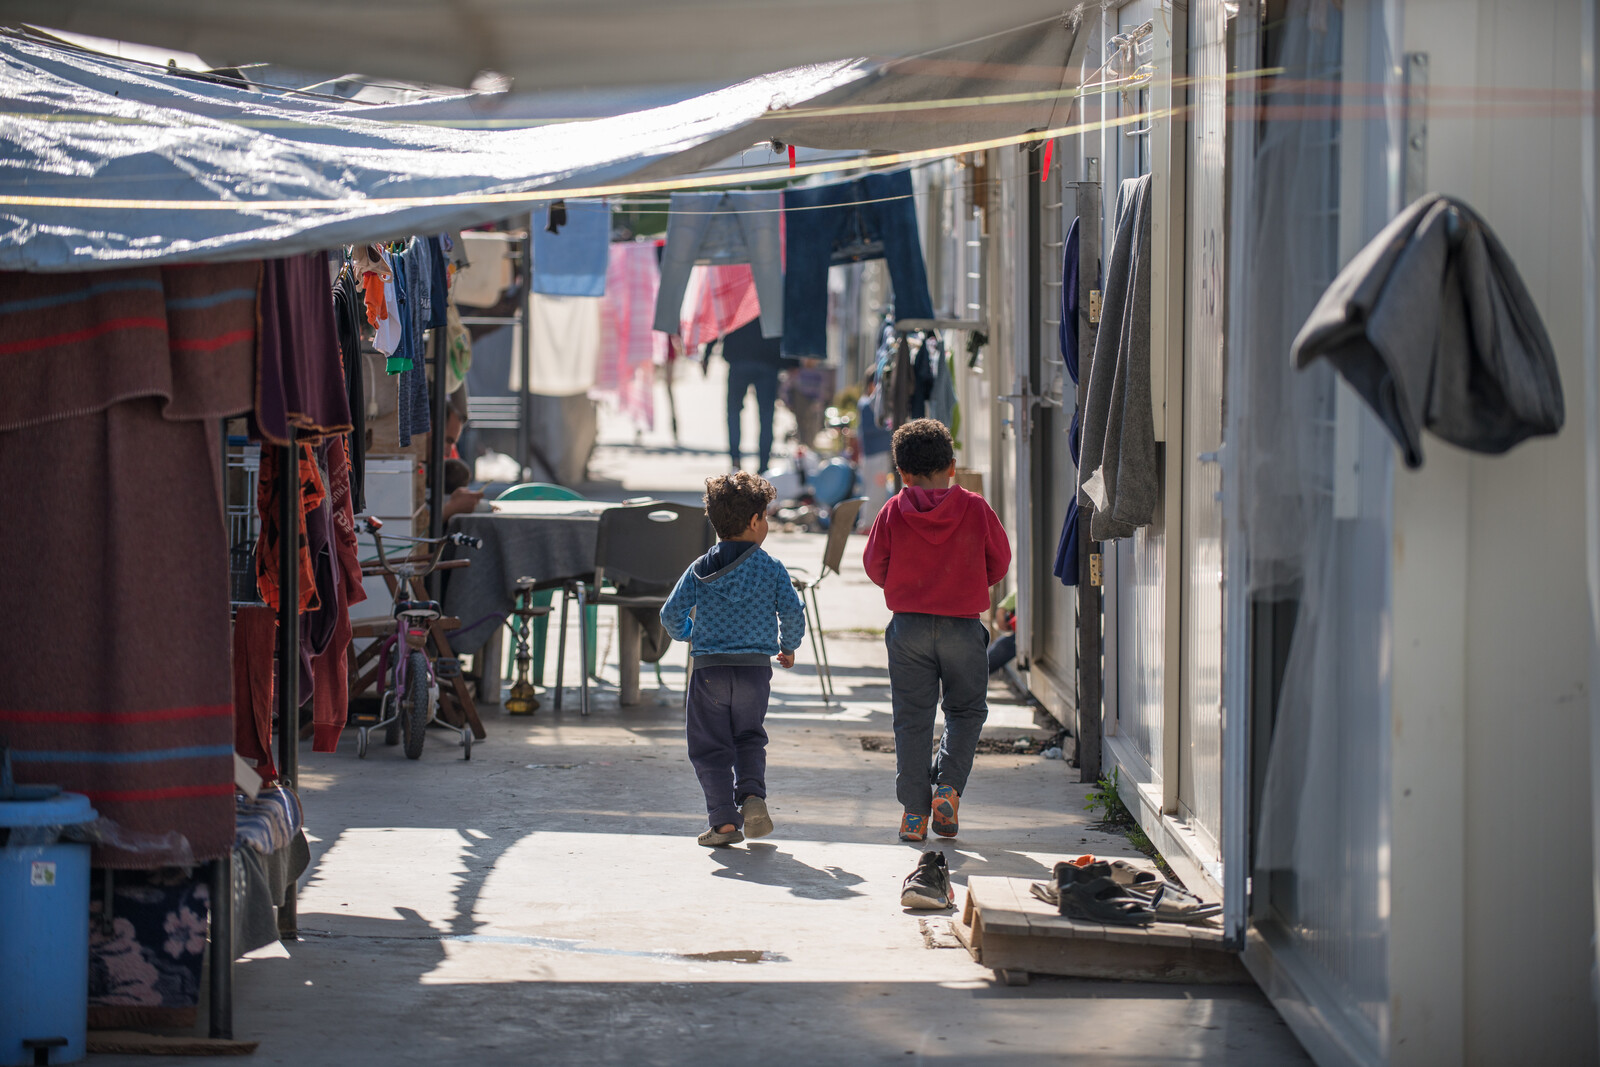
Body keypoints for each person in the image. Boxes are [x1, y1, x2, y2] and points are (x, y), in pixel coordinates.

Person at [863, 418, 1010, 843]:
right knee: (965, 711)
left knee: (911, 720)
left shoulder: (893, 509)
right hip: (963, 627)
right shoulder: (976, 508)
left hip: (907, 627)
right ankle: (947, 788)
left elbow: (875, 565)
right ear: (952, 465)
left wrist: (905, 586)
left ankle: (914, 814)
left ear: (902, 474)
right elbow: (998, 563)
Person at [661, 471, 806, 847]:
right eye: (767, 516)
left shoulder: (699, 568)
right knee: (748, 737)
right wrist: (787, 646)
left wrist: (690, 634)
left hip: (710, 671)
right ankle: (753, 797)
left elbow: (670, 615)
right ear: (755, 521)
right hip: (755, 672)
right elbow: (792, 612)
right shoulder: (771, 568)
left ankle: (724, 821)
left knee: (710, 745)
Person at [718, 319, 785, 473]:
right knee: (766, 416)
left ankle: (736, 461)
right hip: (767, 358)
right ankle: (763, 465)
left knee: (734, 413)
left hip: (739, 356)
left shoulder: (737, 295)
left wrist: (708, 351)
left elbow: (723, 314)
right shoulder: (771, 295)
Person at [856, 371, 893, 525]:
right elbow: (872, 428)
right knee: (875, 492)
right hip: (875, 455)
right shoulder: (868, 404)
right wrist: (892, 428)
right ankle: (869, 524)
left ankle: (867, 522)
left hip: (872, 454)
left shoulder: (867, 403)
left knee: (873, 490)